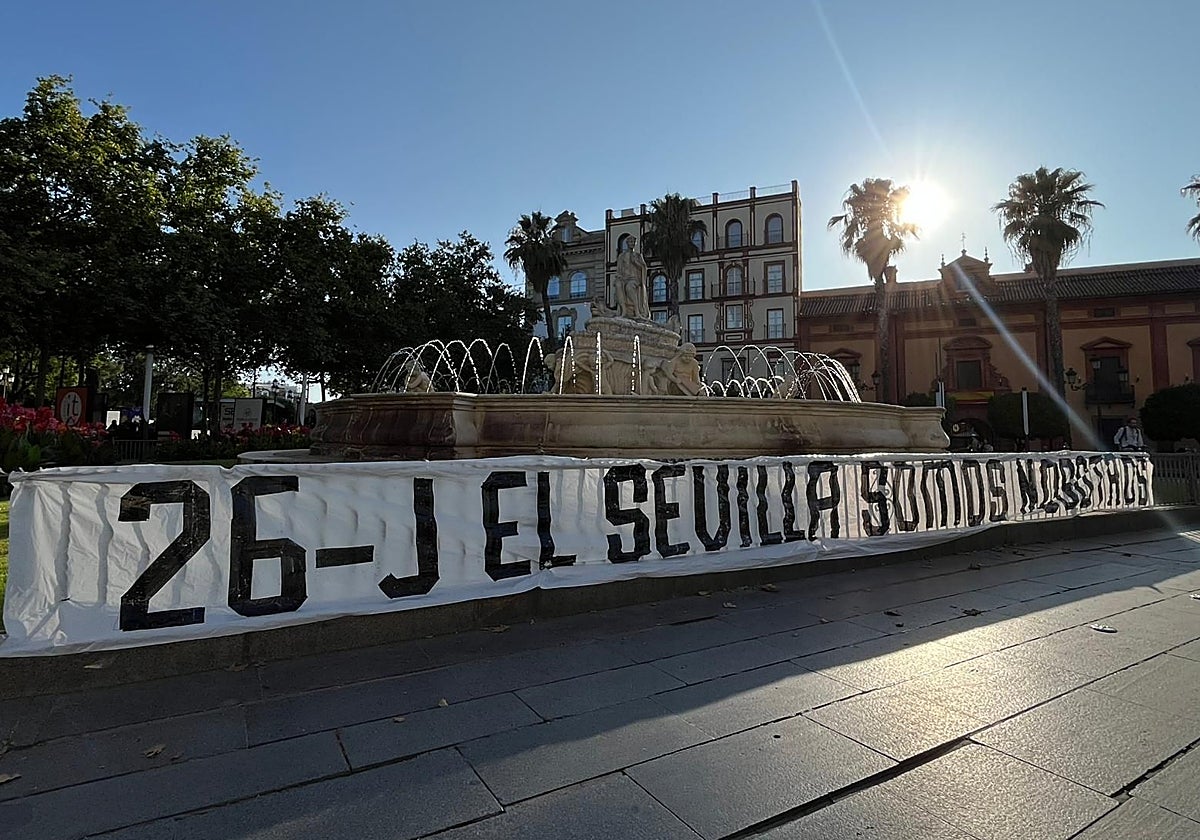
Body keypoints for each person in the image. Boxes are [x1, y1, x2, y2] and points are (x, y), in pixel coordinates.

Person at [613, 236, 650, 319]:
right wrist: (618, 278)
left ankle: (637, 311)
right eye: (630, 242)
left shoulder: (638, 256)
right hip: (623, 278)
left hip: (634, 279)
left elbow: (643, 268)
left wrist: (636, 263)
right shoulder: (621, 256)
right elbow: (619, 270)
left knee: (629, 287)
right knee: (618, 285)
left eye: (633, 242)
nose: (632, 244)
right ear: (627, 243)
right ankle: (623, 311)